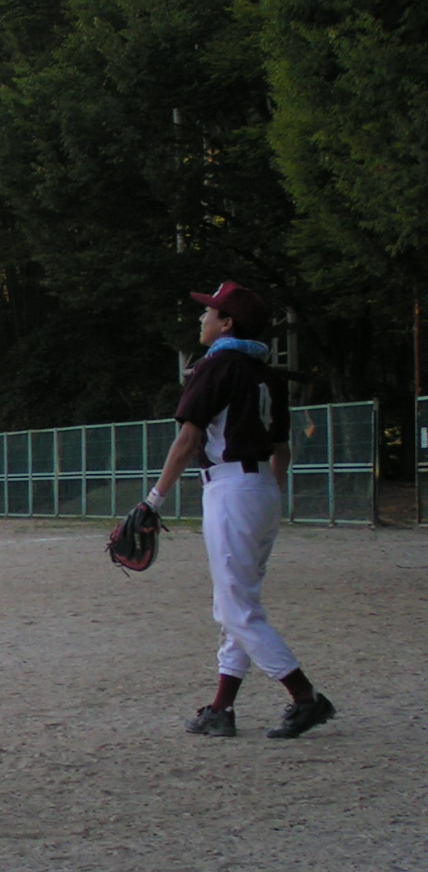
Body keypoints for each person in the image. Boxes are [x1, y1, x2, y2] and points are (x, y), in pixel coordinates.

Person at [139, 280, 334, 739]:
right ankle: (221, 709)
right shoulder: (266, 374)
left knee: (235, 609)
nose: (202, 318)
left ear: (227, 323)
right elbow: (281, 449)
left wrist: (154, 500)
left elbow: (188, 438)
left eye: (210, 312)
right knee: (237, 602)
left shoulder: (217, 365)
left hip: (231, 489)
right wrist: (270, 495)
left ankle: (305, 697)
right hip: (261, 489)